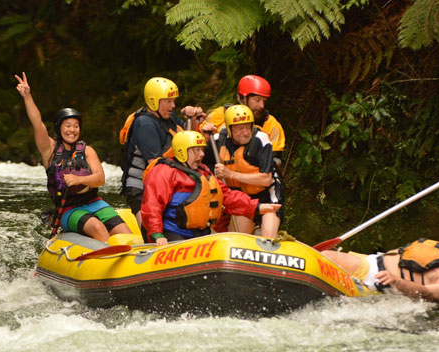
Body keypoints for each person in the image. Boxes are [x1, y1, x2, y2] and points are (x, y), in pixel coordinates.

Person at [323, 165, 439, 310]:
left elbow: (426, 293)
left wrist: (395, 281)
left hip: (376, 277)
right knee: (323, 255)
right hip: (374, 261)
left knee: (324, 257)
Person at [15, 72, 131, 242]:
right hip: (68, 210)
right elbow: (37, 122)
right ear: (59, 128)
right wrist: (27, 96)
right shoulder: (50, 150)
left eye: (76, 126)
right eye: (67, 125)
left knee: (125, 233)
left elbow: (100, 178)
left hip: (94, 202)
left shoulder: (87, 150)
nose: (72, 130)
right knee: (98, 228)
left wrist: (79, 180)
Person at [141, 130, 281, 246]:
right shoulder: (163, 172)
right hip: (171, 232)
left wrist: (256, 207)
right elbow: (152, 205)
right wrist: (157, 234)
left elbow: (227, 196)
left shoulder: (203, 172)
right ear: (181, 151)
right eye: (196, 150)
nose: (202, 154)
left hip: (200, 233)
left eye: (202, 150)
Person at [121, 76, 204, 231]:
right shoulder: (144, 123)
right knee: (149, 232)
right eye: (168, 101)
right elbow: (155, 167)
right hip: (140, 187)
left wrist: (194, 121)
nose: (173, 105)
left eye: (173, 101)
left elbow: (188, 141)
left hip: (168, 183)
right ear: (154, 101)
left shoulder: (169, 117)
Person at [204, 104, 283, 239]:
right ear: (229, 129)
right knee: (236, 239)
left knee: (269, 240)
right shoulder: (217, 140)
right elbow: (198, 160)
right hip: (242, 200)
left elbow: (266, 179)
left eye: (248, 127)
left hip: (267, 197)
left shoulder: (261, 140)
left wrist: (229, 174)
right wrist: (204, 136)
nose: (246, 132)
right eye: (240, 128)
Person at [203, 75, 285, 166]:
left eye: (264, 101)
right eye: (257, 100)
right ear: (241, 98)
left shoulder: (271, 124)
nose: (262, 106)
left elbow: (276, 160)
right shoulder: (219, 116)